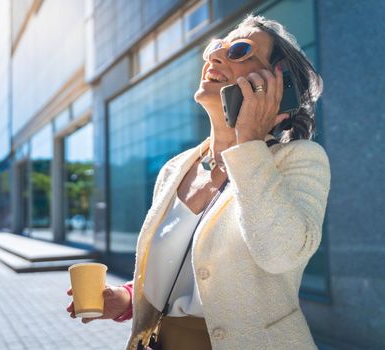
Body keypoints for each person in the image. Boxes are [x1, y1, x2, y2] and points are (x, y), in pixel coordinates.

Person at [66, 14, 330, 350]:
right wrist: (126, 297)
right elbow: (183, 269)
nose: (214, 57)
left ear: (279, 86)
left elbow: (279, 255)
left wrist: (248, 142)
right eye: (215, 48)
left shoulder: (301, 160)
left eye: (240, 50)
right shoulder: (176, 168)